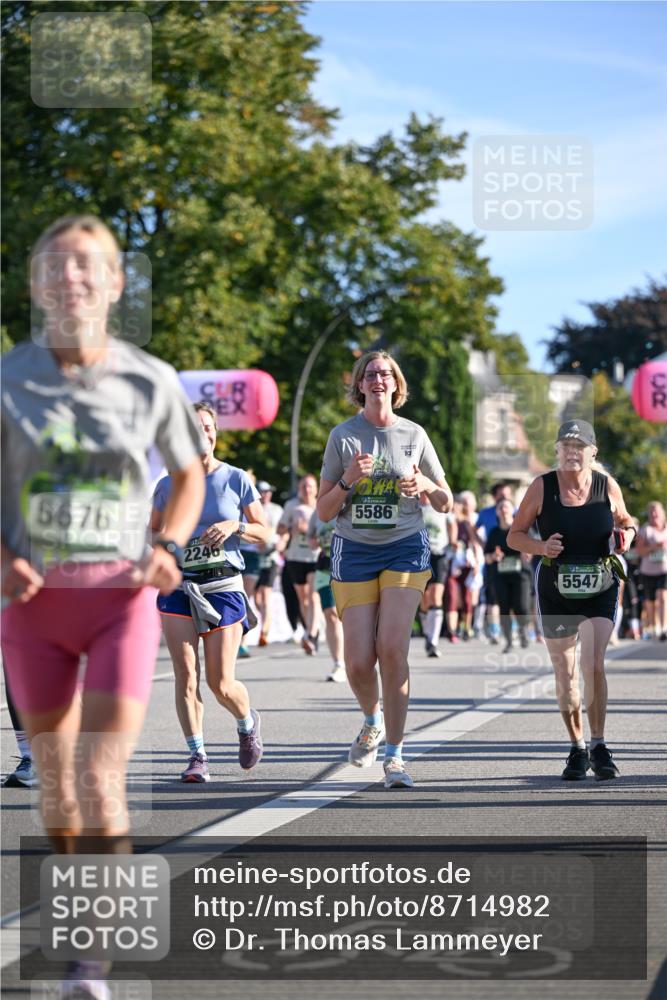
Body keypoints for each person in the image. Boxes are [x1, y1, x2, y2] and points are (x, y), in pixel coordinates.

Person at [0, 215, 205, 996]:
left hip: (118, 604)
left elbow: (187, 475)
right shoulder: (8, 377)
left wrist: (170, 548)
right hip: (32, 610)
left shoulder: (148, 377)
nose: (71, 277)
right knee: (55, 787)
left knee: (101, 779)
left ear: (117, 284)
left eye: (88, 265)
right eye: (54, 265)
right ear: (36, 284)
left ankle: (91, 958)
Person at [317, 350, 452, 789]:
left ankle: (394, 755)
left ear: (396, 383)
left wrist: (427, 485)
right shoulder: (343, 436)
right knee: (358, 661)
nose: (378, 379)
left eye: (385, 373)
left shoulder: (414, 435)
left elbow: (446, 500)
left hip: (404, 547)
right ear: (359, 384)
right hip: (354, 550)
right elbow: (322, 511)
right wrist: (347, 481)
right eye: (370, 374)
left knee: (392, 647)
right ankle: (371, 721)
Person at [507, 419, 635, 782]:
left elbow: (627, 519)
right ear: (557, 451)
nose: (572, 452)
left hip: (600, 584)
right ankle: (577, 746)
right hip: (555, 586)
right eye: (566, 446)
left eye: (580, 446)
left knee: (593, 664)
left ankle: (599, 744)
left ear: (593, 453)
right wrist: (539, 546)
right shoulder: (541, 487)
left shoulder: (606, 485)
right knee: (565, 674)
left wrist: (628, 533)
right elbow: (514, 536)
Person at [151, 402, 269, 783]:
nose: (203, 433)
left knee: (220, 683)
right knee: (185, 676)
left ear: (216, 432)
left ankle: (246, 722)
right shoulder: (168, 485)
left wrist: (235, 525)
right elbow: (151, 534)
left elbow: (265, 532)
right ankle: (197, 755)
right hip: (180, 586)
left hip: (222, 585)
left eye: (208, 426)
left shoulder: (235, 479)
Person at [277, 474, 320, 652]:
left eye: (310, 486)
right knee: (303, 598)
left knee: (313, 595)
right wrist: (291, 528)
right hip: (295, 557)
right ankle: (308, 628)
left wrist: (308, 531)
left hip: (315, 557)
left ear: (316, 489)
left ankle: (311, 634)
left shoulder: (321, 505)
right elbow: (280, 529)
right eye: (303, 486)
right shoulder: (291, 506)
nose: (306, 489)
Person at [484, 498, 532, 653]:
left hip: (521, 574)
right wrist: (493, 556)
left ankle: (523, 631)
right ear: (497, 512)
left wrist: (528, 552)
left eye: (506, 506)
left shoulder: (521, 530)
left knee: (521, 606)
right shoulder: (494, 533)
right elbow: (486, 557)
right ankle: (509, 641)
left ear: (513, 510)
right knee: (504, 608)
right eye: (500, 507)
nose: (503, 509)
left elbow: (533, 548)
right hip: (501, 576)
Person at [307, 511, 345, 681]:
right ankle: (339, 663)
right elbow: (312, 543)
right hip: (325, 567)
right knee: (331, 615)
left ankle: (361, 659)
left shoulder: (351, 501)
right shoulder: (318, 512)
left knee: (352, 616)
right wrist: (317, 540)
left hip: (350, 565)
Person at [476, 482, 514, 644]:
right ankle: (494, 631)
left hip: (513, 557)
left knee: (512, 595)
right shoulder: (485, 513)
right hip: (493, 556)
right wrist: (482, 544)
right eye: (501, 495)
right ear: (494, 496)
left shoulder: (516, 510)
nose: (505, 498)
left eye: (507, 494)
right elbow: (473, 528)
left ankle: (510, 629)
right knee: (493, 597)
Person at [419, 494, 457, 657]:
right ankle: (427, 633)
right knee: (424, 598)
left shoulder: (440, 505)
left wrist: (453, 540)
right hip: (419, 554)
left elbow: (452, 524)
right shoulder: (413, 506)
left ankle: (433, 642)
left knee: (436, 596)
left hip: (439, 554)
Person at [253, 481, 284, 646]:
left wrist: (283, 543)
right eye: (262, 492)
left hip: (271, 556)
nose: (265, 495)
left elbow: (285, 530)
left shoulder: (277, 510)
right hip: (255, 557)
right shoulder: (252, 507)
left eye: (268, 492)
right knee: (256, 597)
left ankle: (264, 631)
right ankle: (265, 621)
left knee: (265, 594)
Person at [635, 501, 667, 641]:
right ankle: (654, 627)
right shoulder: (645, 530)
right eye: (652, 511)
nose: (654, 514)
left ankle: (664, 628)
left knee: (663, 597)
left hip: (664, 569)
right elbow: (639, 551)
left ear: (662, 513)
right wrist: (654, 546)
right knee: (650, 601)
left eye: (656, 511)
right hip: (648, 570)